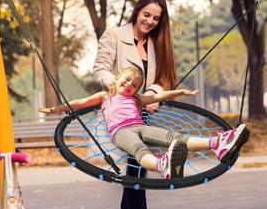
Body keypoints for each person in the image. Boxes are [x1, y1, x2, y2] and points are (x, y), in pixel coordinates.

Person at [39, 67, 248, 179]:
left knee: (174, 138)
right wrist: (58, 109)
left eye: (134, 85)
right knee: (139, 150)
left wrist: (181, 91)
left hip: (140, 126)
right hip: (121, 132)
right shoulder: (105, 96)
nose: (129, 85)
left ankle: (217, 144)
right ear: (117, 79)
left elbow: (159, 97)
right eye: (127, 80)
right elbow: (80, 103)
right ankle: (161, 165)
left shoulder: (136, 99)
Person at [92, 0, 177, 209]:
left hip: (144, 114)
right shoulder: (115, 35)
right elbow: (100, 71)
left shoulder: (158, 43)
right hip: (121, 113)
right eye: (147, 14)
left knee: (135, 168)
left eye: (156, 18)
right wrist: (124, 90)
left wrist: (153, 92)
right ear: (138, 10)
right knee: (137, 166)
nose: (150, 21)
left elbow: (164, 78)